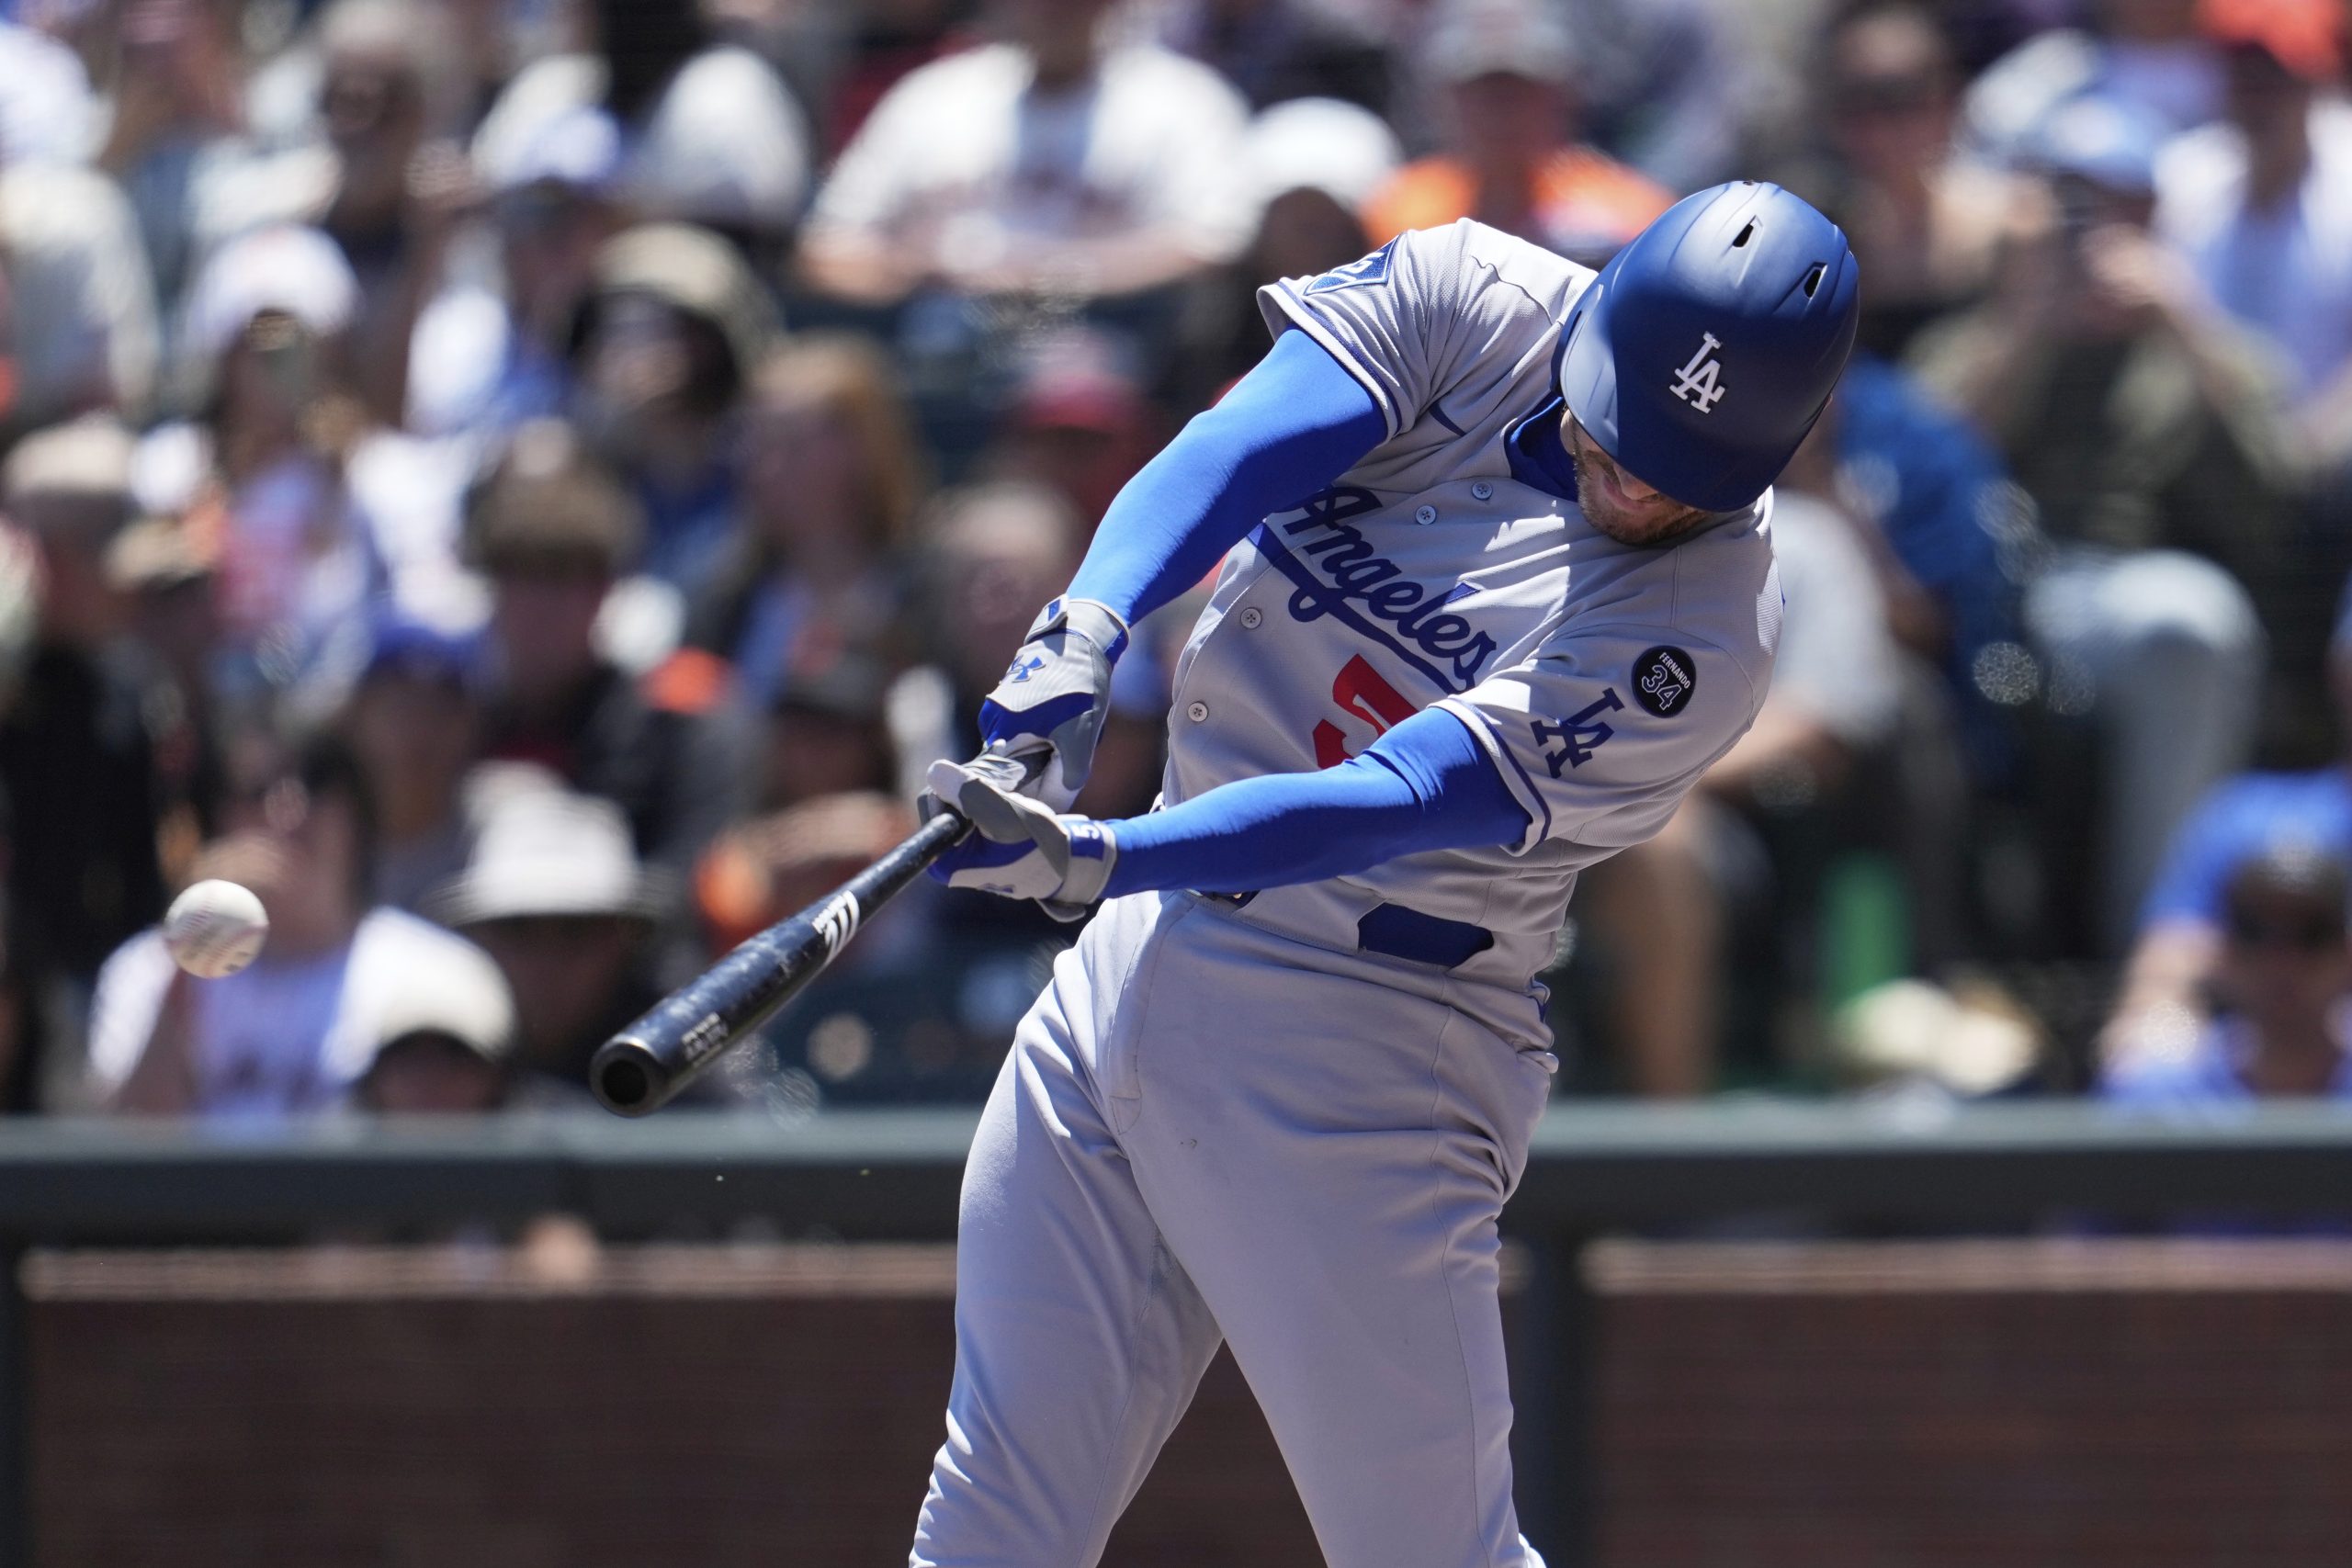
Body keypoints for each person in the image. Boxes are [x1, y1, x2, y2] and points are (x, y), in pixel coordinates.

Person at [910, 183, 1860, 1563]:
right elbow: (1230, 451)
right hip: (1133, 964)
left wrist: (1112, 855)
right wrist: (1084, 626)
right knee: (996, 1514)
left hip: (1362, 1040)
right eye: (1627, 427)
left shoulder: (1698, 630)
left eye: (1687, 467)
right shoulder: (1471, 295)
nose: (1642, 482)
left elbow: (1397, 797)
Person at [86, 729, 509, 1118]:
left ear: (357, 815)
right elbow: (134, 1142)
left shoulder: (437, 971)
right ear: (219, 818)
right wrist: (187, 959)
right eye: (256, 792)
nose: (286, 813)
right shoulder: (147, 968)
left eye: (315, 784)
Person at [1362, 0, 1671, 269]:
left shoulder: (1629, 216)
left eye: (1522, 88)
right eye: (1483, 90)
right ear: (1444, 98)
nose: (1502, 111)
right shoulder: (1398, 213)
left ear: (1563, 93)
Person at [2103, 845, 2352, 1104]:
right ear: (2223, 953)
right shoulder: (2159, 1097)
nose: (2283, 961)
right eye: (2255, 932)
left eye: (2312, 935)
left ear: (2347, 954)